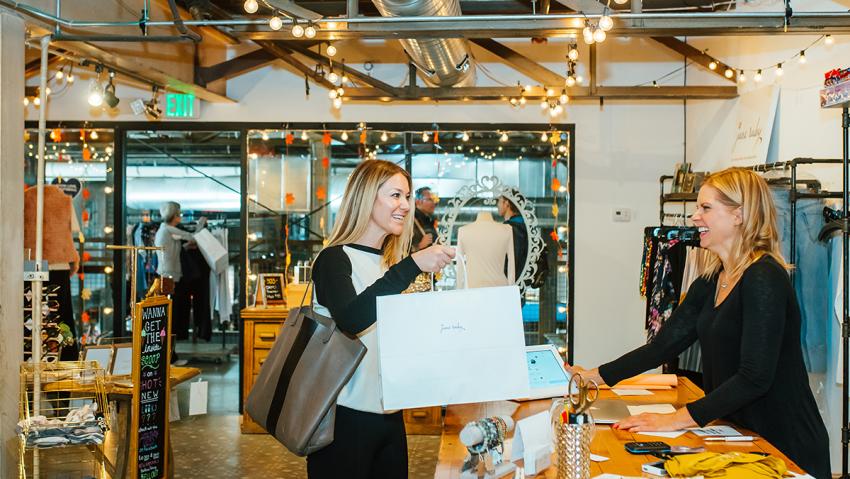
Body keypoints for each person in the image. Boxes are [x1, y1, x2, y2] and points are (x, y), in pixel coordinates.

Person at [570, 167, 830, 478]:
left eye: (706, 208)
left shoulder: (765, 277)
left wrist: (676, 419)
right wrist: (592, 377)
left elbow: (754, 377)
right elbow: (663, 347)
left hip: (784, 444)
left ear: (739, 215)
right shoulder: (711, 280)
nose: (695, 217)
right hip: (738, 436)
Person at [308, 160, 455, 478]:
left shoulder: (389, 266)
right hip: (343, 420)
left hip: (390, 415)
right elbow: (352, 319)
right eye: (395, 195)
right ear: (365, 197)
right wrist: (413, 264)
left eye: (407, 196)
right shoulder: (335, 259)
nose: (405, 205)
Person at [154, 201, 206, 343]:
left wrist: (186, 247)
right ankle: (170, 352)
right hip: (169, 277)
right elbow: (193, 236)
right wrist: (201, 224)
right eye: (179, 214)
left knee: (172, 313)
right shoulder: (169, 230)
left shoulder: (164, 230)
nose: (181, 217)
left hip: (168, 276)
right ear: (174, 215)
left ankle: (172, 351)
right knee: (172, 314)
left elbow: (173, 249)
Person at [497, 191, 528, 280]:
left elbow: (513, 258)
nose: (498, 205)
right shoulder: (522, 225)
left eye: (499, 201)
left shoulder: (512, 227)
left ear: (506, 203)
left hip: (511, 283)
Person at [411, 186, 438, 251]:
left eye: (434, 200)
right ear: (418, 201)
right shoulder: (410, 221)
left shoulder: (429, 220)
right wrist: (419, 246)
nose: (434, 203)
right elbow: (400, 248)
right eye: (430, 199)